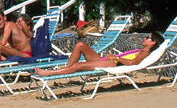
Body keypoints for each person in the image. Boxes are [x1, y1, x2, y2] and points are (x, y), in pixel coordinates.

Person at [34, 32, 162, 77]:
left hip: (112, 63)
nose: (145, 38)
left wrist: (116, 57)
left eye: (148, 37)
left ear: (153, 43)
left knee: (78, 65)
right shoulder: (141, 50)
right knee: (80, 45)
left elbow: (132, 63)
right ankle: (66, 70)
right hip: (109, 60)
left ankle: (49, 73)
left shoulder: (144, 53)